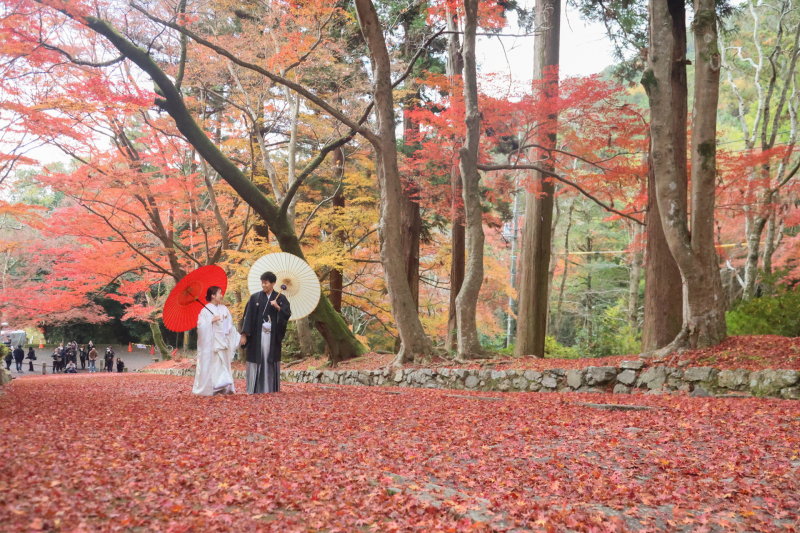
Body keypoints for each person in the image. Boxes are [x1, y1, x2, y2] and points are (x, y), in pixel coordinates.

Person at [240, 271, 291, 394]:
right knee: (258, 357)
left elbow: (287, 314)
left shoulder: (281, 298)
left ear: (273, 283)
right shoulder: (255, 297)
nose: (263, 285)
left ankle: (270, 387)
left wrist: (278, 307)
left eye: (266, 283)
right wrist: (244, 334)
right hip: (257, 335)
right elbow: (248, 316)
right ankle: (254, 388)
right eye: (262, 283)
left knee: (269, 357)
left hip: (272, 336)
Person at [192, 286, 238, 396]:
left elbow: (230, 324)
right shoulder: (204, 310)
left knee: (223, 364)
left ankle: (224, 388)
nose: (222, 295)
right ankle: (212, 388)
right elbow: (200, 327)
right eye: (219, 293)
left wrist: (226, 326)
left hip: (223, 340)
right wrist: (211, 321)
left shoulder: (224, 309)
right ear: (213, 295)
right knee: (213, 365)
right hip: (212, 343)